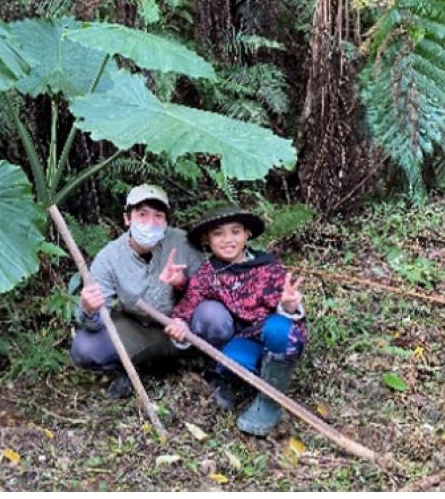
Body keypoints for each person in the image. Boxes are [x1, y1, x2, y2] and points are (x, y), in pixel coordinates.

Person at [69, 184, 235, 399]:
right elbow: (97, 320)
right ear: (127, 219)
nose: (150, 223)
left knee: (215, 316)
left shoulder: (183, 243)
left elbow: (212, 290)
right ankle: (137, 365)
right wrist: (90, 309)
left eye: (158, 216)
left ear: (166, 221)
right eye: (142, 215)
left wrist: (182, 285)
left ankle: (213, 369)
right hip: (141, 328)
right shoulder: (108, 258)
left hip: (184, 327)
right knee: (84, 349)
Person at [164, 205, 307, 437]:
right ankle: (250, 375)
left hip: (272, 332)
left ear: (246, 234)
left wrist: (289, 306)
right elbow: (186, 307)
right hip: (244, 339)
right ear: (207, 239)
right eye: (218, 233)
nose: (228, 240)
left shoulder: (267, 265)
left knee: (281, 331)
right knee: (233, 362)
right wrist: (179, 325)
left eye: (235, 232)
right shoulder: (207, 274)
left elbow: (287, 310)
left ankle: (269, 402)